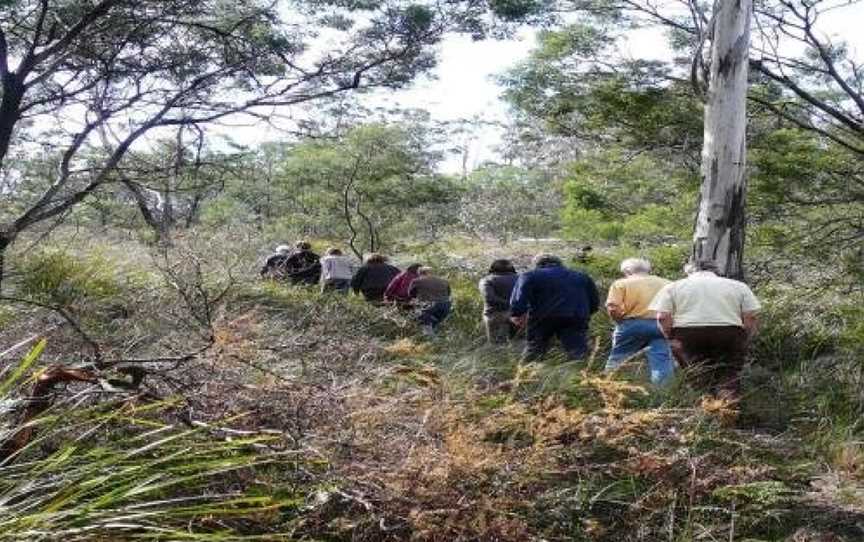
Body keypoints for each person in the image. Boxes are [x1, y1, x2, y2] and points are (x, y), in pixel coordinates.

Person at [650, 259, 761, 398]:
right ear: (716, 271)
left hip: (687, 334)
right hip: (729, 332)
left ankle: (704, 411)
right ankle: (727, 410)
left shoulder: (673, 287)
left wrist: (669, 337)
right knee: (728, 374)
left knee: (697, 375)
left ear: (689, 271)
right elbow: (750, 316)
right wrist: (746, 336)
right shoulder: (738, 286)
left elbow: (662, 317)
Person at [510, 254, 599, 362]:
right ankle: (581, 374)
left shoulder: (530, 275)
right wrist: (587, 313)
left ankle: (527, 375)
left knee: (535, 349)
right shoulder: (582, 276)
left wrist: (517, 314)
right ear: (560, 263)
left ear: (537, 264)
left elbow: (519, 297)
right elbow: (594, 300)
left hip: (542, 317)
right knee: (578, 350)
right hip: (575, 316)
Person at [604, 258, 675, 385]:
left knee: (619, 359)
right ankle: (663, 396)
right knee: (662, 362)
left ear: (627, 271)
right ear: (648, 270)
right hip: (661, 325)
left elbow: (613, 307)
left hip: (632, 324)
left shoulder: (621, 284)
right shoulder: (667, 283)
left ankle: (609, 388)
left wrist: (619, 321)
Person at [478, 259, 518, 344]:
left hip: (495, 314)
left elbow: (489, 298)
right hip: (518, 314)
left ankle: (500, 357)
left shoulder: (487, 280)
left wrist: (507, 303)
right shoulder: (520, 278)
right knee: (518, 342)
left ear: (492, 269)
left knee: (497, 345)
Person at [408, 267, 452, 335]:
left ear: (420, 274)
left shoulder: (417, 281)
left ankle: (428, 338)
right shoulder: (444, 281)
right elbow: (449, 294)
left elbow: (411, 293)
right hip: (446, 306)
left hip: (429, 306)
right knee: (434, 324)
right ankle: (435, 335)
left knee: (418, 314)